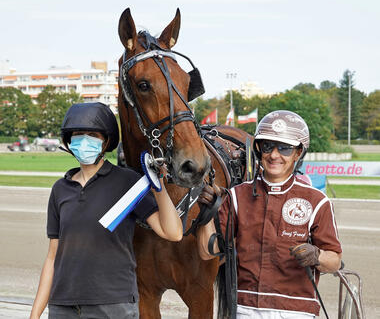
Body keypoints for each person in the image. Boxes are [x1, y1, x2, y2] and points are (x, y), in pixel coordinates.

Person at [30, 102, 182, 319]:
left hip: (113, 306)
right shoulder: (60, 190)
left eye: (92, 134)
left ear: (106, 141)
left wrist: (159, 189)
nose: (84, 140)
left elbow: (173, 232)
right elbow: (52, 257)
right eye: (78, 134)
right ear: (68, 140)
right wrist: (35, 314)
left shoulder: (127, 182)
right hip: (63, 306)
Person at [197, 110, 342, 319]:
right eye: (267, 146)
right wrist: (207, 215)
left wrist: (316, 255)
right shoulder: (237, 196)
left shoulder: (317, 201)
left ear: (298, 152)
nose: (274, 155)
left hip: (297, 310)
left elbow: (334, 261)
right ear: (258, 149)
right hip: (245, 308)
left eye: (284, 148)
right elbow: (207, 253)